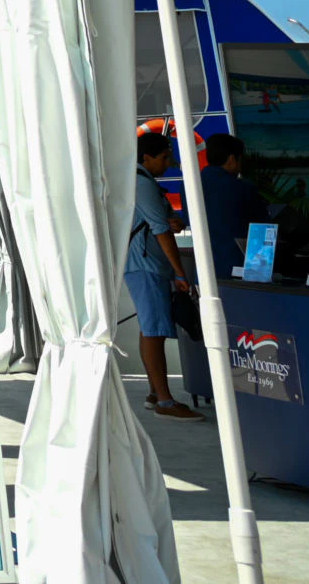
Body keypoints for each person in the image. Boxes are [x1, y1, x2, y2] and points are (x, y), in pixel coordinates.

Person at [128, 131, 201, 419]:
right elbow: (160, 230)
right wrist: (179, 273)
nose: (168, 163)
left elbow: (162, 223)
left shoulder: (140, 182)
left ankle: (155, 393)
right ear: (146, 157)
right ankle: (165, 401)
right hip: (147, 266)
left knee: (151, 329)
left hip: (145, 265)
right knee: (154, 331)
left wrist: (172, 221)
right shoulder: (141, 183)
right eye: (164, 157)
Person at [195, 134, 271, 275]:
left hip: (203, 270)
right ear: (232, 159)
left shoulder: (189, 185)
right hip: (240, 267)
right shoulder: (242, 187)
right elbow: (262, 228)